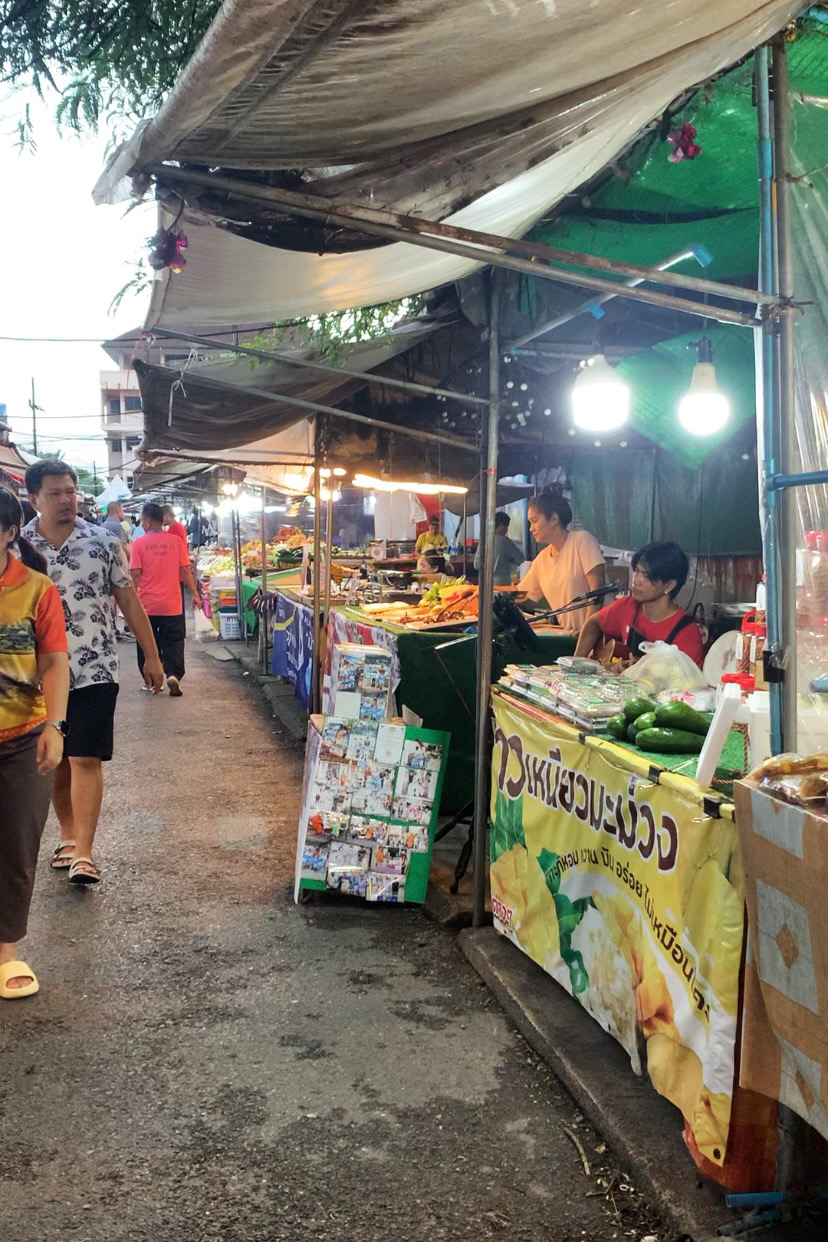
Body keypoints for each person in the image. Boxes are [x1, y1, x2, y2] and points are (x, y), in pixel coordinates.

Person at [23, 461, 164, 886]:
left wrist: (151, 655)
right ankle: (66, 835)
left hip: (94, 666)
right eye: (55, 493)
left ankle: (85, 852)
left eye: (71, 491)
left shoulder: (102, 541)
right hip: (36, 673)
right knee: (56, 758)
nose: (67, 500)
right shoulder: (18, 547)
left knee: (85, 755)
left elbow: (129, 600)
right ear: (33, 499)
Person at [0, 487, 70, 998]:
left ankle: (6, 951)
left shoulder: (37, 589)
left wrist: (55, 726)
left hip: (22, 737)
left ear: (8, 532)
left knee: (17, 844)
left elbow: (54, 662)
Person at [575, 541, 704, 668]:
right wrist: (574, 666)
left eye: (646, 576)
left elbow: (689, 684)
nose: (636, 580)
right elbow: (592, 624)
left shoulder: (686, 634)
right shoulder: (628, 605)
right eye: (636, 571)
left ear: (669, 585)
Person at [131, 502, 203, 697]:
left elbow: (135, 574)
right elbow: (185, 570)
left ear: (146, 522)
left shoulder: (138, 544)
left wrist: (131, 600)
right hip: (172, 603)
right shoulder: (176, 542)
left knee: (147, 642)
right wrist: (195, 594)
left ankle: (150, 681)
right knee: (174, 641)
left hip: (147, 604)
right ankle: (173, 675)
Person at [516, 487, 605, 630]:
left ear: (554, 518)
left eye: (534, 521)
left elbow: (598, 589)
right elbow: (519, 594)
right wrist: (486, 592)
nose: (530, 529)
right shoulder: (542, 560)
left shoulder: (582, 541)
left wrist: (588, 631)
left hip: (601, 634)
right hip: (571, 635)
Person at [474, 511, 523, 587]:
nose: (506, 530)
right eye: (506, 527)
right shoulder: (505, 541)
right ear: (501, 526)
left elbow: (476, 565)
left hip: (484, 585)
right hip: (502, 584)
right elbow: (520, 559)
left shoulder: (483, 540)